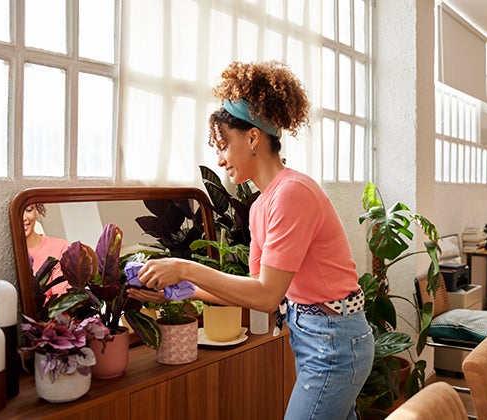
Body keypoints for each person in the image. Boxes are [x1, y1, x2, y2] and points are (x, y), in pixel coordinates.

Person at [137, 60, 374, 420]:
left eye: (224, 144)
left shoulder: (292, 194)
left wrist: (185, 267)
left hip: (334, 344)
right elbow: (255, 291)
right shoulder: (263, 204)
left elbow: (267, 295)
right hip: (319, 340)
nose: (219, 158)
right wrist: (179, 288)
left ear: (252, 138)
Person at [24, 203, 70, 298]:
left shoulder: (61, 248)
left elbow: (62, 301)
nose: (23, 218)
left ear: (37, 210)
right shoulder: (6, 256)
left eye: (28, 210)